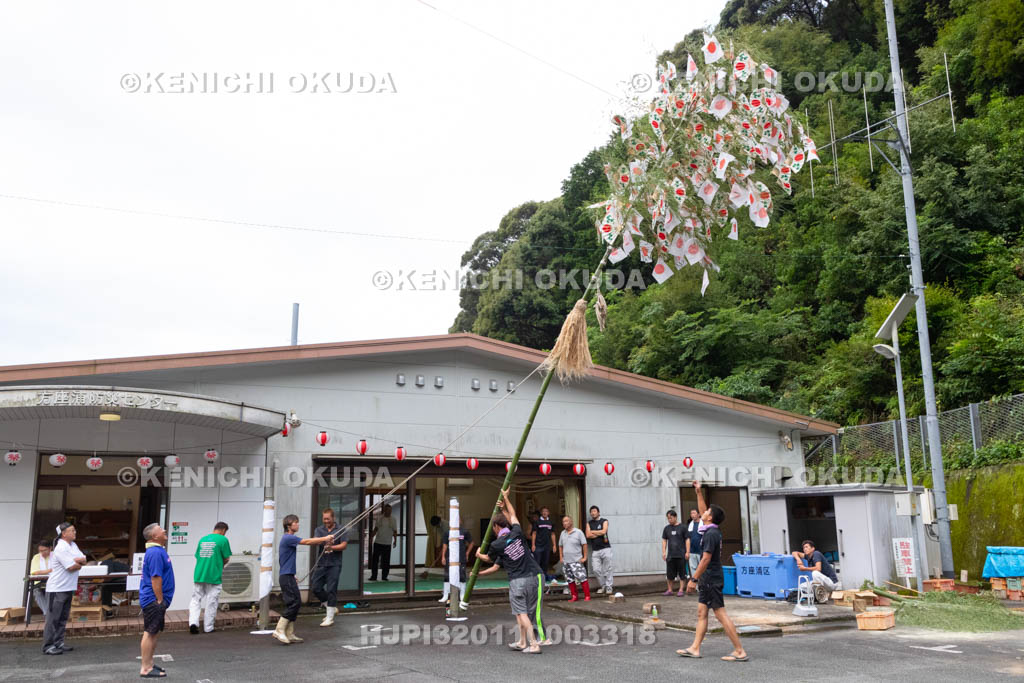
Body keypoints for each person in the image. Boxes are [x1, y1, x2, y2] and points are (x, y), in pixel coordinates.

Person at [677, 481, 748, 662]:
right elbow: (703, 510)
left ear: (710, 518)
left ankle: (739, 650)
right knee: (702, 613)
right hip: (709, 578)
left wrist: (693, 579)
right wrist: (699, 492)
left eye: (707, 512)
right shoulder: (709, 528)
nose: (704, 512)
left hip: (711, 578)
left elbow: (706, 559)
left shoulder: (710, 534)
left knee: (720, 613)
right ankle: (695, 648)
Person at [476, 488, 546, 654]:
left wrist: (479, 554)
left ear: (495, 527)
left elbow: (489, 560)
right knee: (521, 612)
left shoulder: (496, 545)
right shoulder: (517, 532)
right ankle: (522, 642)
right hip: (532, 577)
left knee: (522, 613)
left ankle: (534, 644)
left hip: (517, 580)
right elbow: (513, 515)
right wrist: (506, 499)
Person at [275, 514, 333, 644]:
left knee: (296, 603)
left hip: (288, 575)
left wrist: (291, 574)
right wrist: (325, 538)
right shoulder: (288, 538)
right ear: (289, 525)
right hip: (286, 576)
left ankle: (289, 633)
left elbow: (284, 559)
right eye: (296, 522)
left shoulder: (287, 539)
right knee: (294, 603)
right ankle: (279, 629)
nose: (298, 525)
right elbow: (307, 542)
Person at [42, 523, 86, 656]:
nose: (75, 532)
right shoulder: (60, 547)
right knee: (53, 618)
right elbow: (71, 567)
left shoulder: (73, 545)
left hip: (68, 586)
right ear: (63, 533)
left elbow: (84, 558)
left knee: (63, 617)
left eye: (74, 530)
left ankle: (58, 642)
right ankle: (48, 645)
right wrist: (79, 563)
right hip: (57, 588)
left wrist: (78, 562)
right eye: (72, 530)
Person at [139, 523, 174, 678]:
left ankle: (150, 663)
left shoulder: (157, 550)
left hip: (156, 599)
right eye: (161, 530)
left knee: (154, 632)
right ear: (154, 536)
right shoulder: (154, 552)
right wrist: (160, 599)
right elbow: (155, 577)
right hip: (153, 599)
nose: (164, 531)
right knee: (150, 632)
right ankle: (145, 668)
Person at [189, 521, 231, 635]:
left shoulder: (202, 539)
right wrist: (220, 564)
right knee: (211, 601)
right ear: (223, 530)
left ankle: (193, 623)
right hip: (214, 575)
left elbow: (198, 556)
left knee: (195, 599)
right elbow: (226, 558)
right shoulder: (223, 540)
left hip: (199, 574)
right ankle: (208, 627)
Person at [311, 508, 348, 627]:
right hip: (321, 563)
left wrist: (332, 547)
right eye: (324, 519)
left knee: (332, 589)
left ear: (333, 518)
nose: (326, 521)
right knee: (315, 587)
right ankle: (330, 607)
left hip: (334, 564)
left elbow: (344, 545)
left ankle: (330, 617)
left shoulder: (341, 529)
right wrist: (324, 540)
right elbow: (316, 541)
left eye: (328, 518)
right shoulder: (319, 529)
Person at [438, 526, 475, 603]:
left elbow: (471, 542)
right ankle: (445, 595)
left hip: (461, 557)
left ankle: (462, 595)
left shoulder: (464, 531)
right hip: (449, 557)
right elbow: (444, 545)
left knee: (462, 576)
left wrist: (467, 553)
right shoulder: (447, 532)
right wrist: (443, 557)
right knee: (447, 576)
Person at [558, 515, 590, 602]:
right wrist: (561, 557)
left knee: (582, 578)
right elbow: (560, 546)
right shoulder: (562, 533)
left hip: (576, 560)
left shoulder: (578, 532)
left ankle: (587, 595)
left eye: (566, 521)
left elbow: (584, 544)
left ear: (571, 522)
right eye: (563, 522)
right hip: (566, 561)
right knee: (570, 579)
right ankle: (574, 596)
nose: (564, 523)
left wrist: (585, 557)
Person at [585, 505, 613, 595]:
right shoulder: (589, 523)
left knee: (608, 568)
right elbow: (588, 535)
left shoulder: (604, 521)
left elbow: (604, 531)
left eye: (594, 511)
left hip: (606, 548)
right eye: (591, 511)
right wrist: (599, 532)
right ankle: (603, 585)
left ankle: (609, 587)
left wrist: (592, 531)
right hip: (595, 550)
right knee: (596, 569)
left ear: (598, 512)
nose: (593, 513)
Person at [369, 504, 396, 582]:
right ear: (384, 510)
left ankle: (384, 576)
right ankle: (374, 576)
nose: (389, 512)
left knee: (386, 561)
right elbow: (375, 529)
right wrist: (371, 537)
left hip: (387, 543)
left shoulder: (393, 519)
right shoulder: (379, 518)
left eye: (390, 510)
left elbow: (395, 531)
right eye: (387, 510)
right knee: (375, 560)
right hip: (378, 542)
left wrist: (395, 540)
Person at [662, 510, 687, 597]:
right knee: (670, 574)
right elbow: (664, 540)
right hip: (671, 555)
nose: (669, 520)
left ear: (675, 517)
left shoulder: (683, 527)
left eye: (671, 518)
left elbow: (687, 540)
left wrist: (687, 552)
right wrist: (664, 552)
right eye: (668, 518)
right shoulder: (666, 528)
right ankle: (670, 590)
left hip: (681, 554)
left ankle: (680, 590)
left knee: (682, 574)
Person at [530, 506, 556, 584]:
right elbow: (534, 533)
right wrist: (533, 545)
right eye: (543, 511)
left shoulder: (551, 522)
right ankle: (536, 579)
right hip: (538, 546)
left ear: (548, 513)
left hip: (547, 546)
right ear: (541, 513)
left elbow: (553, 534)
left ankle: (543, 578)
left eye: (546, 511)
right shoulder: (537, 522)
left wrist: (554, 545)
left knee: (545, 563)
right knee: (537, 562)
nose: (545, 513)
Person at [30, 540, 52, 618]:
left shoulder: (56, 556)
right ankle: (47, 613)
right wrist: (49, 570)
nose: (42, 553)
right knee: (37, 592)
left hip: (53, 582)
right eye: (40, 551)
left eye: (44, 550)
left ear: (50, 548)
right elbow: (34, 572)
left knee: (50, 590)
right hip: (39, 582)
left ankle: (49, 614)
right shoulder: (36, 557)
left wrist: (42, 572)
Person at [685, 508, 702, 592]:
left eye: (694, 513)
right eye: (691, 513)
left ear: (699, 514)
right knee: (693, 569)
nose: (692, 515)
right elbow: (687, 538)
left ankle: (703, 586)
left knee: (702, 569)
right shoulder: (690, 525)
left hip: (701, 550)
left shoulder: (703, 524)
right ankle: (696, 587)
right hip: (692, 550)